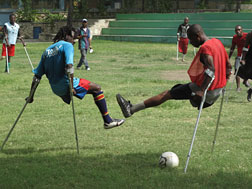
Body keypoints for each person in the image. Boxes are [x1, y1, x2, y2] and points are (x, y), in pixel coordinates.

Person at [117, 24, 231, 118]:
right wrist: (223, 82)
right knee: (176, 88)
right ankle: (132, 108)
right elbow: (229, 66)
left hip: (207, 91)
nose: (191, 42)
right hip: (217, 91)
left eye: (191, 39)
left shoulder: (205, 48)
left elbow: (211, 69)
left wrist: (201, 91)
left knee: (167, 94)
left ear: (198, 36)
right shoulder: (217, 42)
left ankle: (131, 109)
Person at [26, 26, 125, 129]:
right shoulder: (67, 45)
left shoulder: (47, 51)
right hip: (66, 84)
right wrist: (71, 86)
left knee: (91, 88)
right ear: (66, 36)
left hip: (55, 89)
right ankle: (108, 121)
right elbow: (69, 66)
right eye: (73, 38)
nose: (74, 41)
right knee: (97, 88)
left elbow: (37, 76)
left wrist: (31, 96)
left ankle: (107, 120)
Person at [229, 25, 249, 92]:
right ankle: (238, 88)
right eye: (236, 30)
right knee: (237, 70)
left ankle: (245, 81)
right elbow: (232, 48)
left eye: (239, 29)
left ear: (242, 30)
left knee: (248, 71)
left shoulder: (247, 36)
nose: (238, 31)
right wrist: (229, 57)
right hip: (239, 56)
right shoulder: (235, 37)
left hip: (247, 57)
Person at [237, 31, 252, 101]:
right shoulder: (250, 34)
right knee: (247, 73)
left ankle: (250, 91)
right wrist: (243, 59)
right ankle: (245, 80)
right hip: (250, 57)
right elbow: (245, 47)